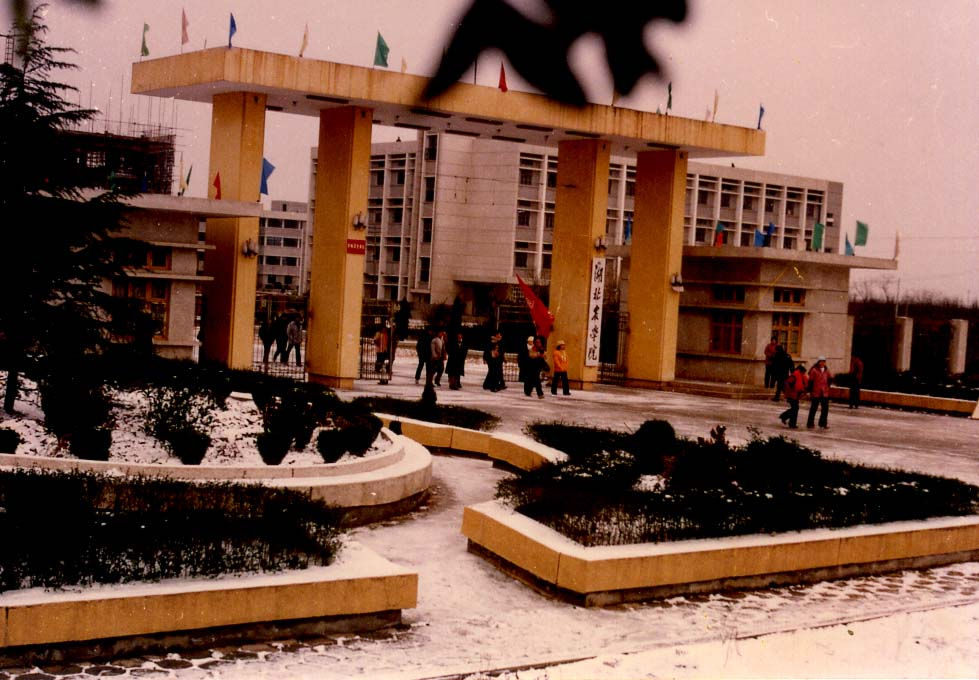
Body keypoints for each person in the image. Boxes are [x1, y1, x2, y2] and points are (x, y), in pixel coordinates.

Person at [806, 356, 833, 429]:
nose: (822, 363)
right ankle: (810, 423)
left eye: (824, 362)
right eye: (821, 362)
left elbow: (830, 378)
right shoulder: (814, 370)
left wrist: (827, 385)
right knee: (813, 408)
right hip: (816, 392)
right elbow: (810, 381)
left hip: (824, 392)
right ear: (818, 362)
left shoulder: (826, 370)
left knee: (825, 409)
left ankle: (823, 423)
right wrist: (809, 391)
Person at [779, 364, 808, 428]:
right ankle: (787, 419)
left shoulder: (799, 375)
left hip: (795, 395)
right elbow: (788, 384)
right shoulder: (795, 375)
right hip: (792, 395)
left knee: (795, 408)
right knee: (795, 408)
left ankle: (788, 420)